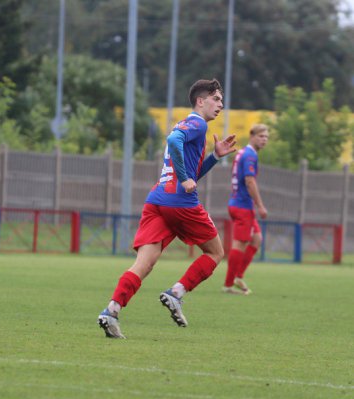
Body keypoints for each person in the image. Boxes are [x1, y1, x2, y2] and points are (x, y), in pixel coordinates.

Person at [97, 78, 237, 339]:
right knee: (216, 252)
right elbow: (173, 141)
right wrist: (184, 178)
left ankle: (111, 311)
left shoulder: (191, 125)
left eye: (221, 100)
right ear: (200, 100)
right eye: (216, 99)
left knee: (144, 264)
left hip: (157, 201)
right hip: (180, 203)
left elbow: (193, 172)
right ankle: (177, 293)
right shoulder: (195, 123)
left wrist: (215, 157)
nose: (220, 105)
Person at [222, 124, 269, 295]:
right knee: (239, 244)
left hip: (238, 203)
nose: (264, 139)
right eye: (261, 136)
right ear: (252, 136)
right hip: (242, 206)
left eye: (266, 137)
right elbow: (249, 182)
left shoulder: (243, 152)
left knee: (256, 239)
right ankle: (228, 284)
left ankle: (237, 276)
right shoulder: (249, 155)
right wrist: (261, 206)